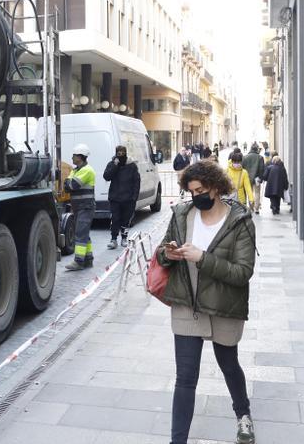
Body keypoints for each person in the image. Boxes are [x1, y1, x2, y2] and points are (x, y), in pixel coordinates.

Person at [156, 161, 257, 444]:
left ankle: (243, 414)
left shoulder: (239, 220)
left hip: (224, 305)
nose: (195, 196)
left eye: (200, 190)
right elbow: (163, 250)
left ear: (215, 186)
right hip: (187, 304)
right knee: (185, 378)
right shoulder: (182, 215)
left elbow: (242, 272)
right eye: (191, 191)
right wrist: (169, 255)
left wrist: (203, 258)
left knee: (229, 364)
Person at [64, 143, 96, 271]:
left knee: (80, 234)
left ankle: (78, 261)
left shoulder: (87, 170)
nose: (72, 158)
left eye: (74, 155)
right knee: (84, 234)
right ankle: (88, 259)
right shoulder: (76, 170)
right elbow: (68, 185)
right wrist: (68, 182)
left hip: (85, 207)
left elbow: (71, 186)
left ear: (80, 157)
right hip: (79, 207)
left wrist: (68, 182)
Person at [103, 145, 141, 249]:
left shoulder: (132, 166)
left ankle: (124, 238)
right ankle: (113, 239)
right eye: (118, 152)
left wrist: (134, 197)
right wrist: (115, 165)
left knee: (126, 220)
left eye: (122, 152)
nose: (120, 154)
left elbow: (136, 181)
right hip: (115, 198)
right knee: (115, 219)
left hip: (128, 198)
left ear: (125, 152)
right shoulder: (112, 164)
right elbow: (106, 176)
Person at [241, 144, 265, 215]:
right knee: (257, 193)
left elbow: (242, 168)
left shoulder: (245, 157)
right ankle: (256, 208)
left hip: (247, 178)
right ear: (257, 149)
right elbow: (261, 169)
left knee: (249, 193)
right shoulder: (260, 157)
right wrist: (261, 178)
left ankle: (251, 207)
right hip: (257, 178)